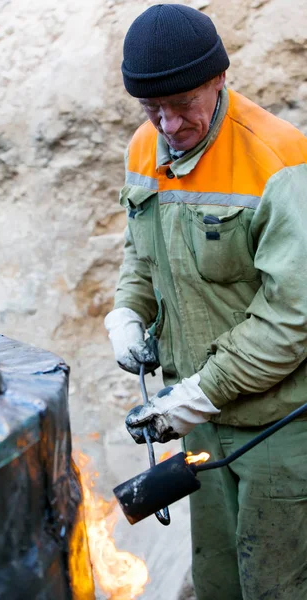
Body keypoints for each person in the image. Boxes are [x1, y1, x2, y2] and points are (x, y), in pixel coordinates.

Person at [104, 4, 307, 600]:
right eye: (151, 109)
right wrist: (127, 311)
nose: (167, 125)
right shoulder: (146, 149)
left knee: (278, 586)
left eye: (182, 105)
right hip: (204, 429)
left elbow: (292, 315)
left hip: (279, 432)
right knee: (218, 581)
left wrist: (200, 391)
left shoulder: (282, 163)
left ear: (220, 79)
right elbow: (140, 257)